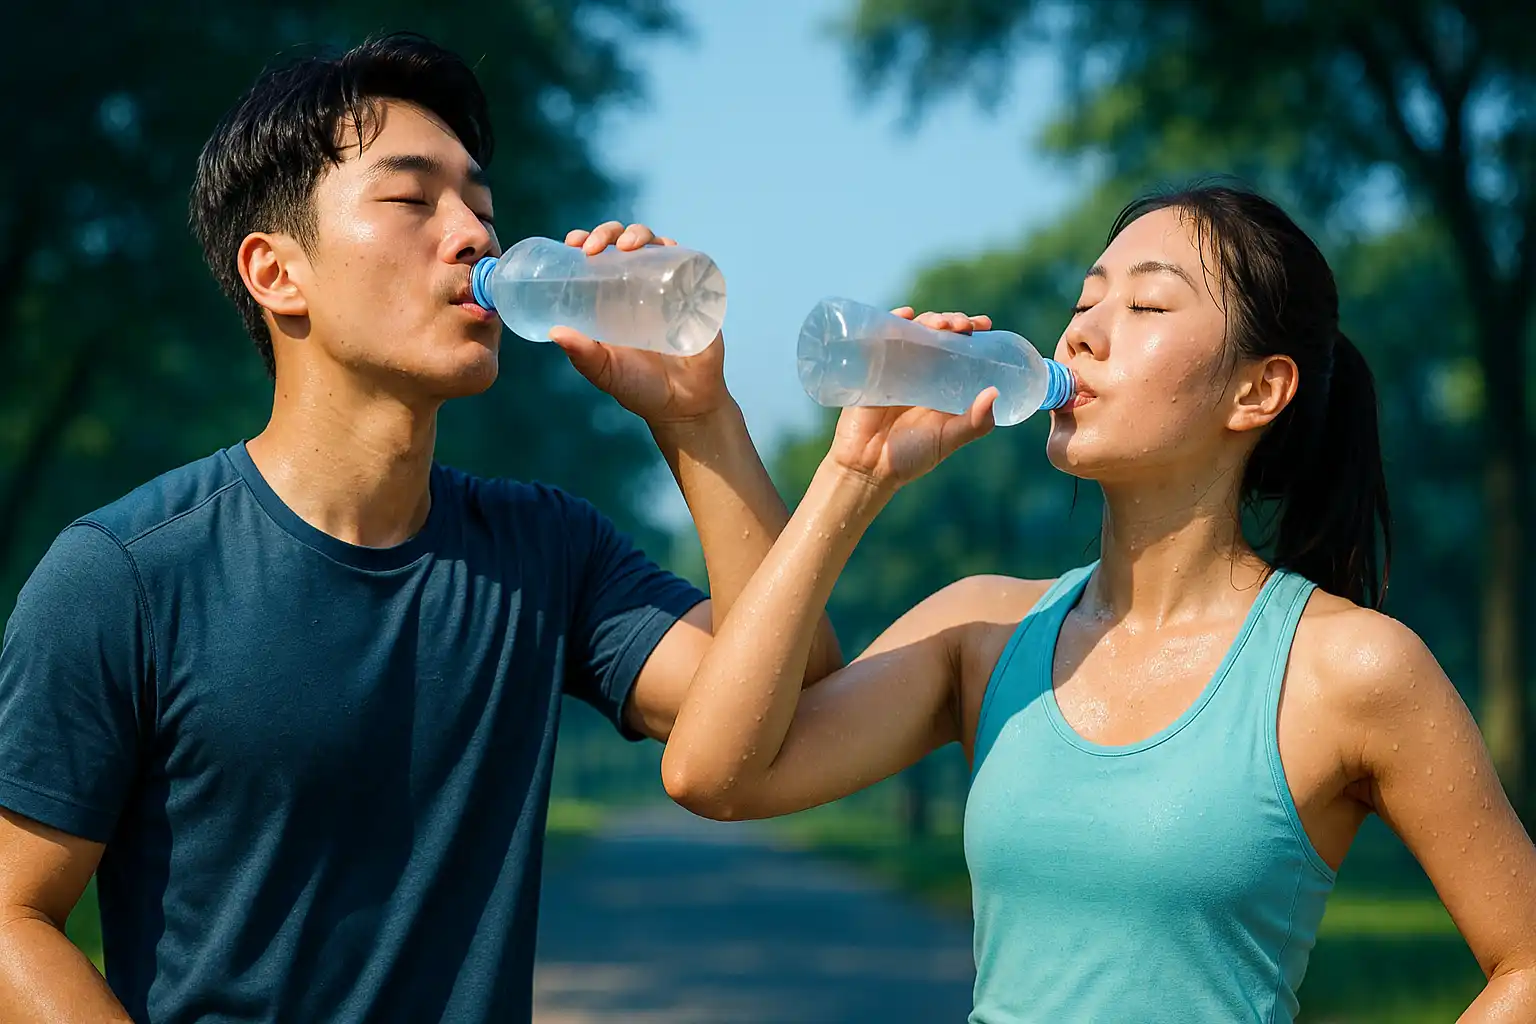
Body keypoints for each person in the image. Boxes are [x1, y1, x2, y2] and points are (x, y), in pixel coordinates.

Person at [0, 32, 840, 1024]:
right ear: (276, 273)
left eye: (482, 206)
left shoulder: (545, 551)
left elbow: (783, 696)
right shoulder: (128, 576)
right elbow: (15, 913)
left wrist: (697, 421)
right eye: (413, 200)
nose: (476, 236)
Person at [660, 184, 1536, 1021]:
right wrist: (853, 477)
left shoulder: (1350, 667)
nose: (1082, 335)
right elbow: (714, 775)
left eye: (1147, 308)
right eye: (1085, 302)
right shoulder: (984, 631)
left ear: (1257, 390)